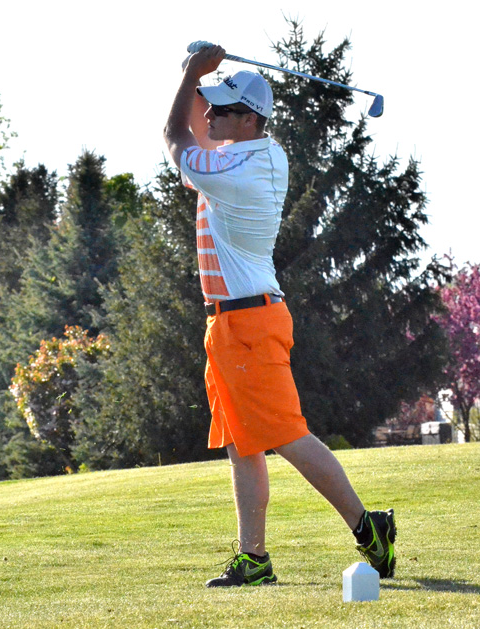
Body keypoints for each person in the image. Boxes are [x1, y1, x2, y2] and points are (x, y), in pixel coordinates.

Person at [163, 43, 396, 587]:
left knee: (288, 436)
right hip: (230, 321)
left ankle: (369, 528)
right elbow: (195, 131)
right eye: (211, 107)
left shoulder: (238, 171)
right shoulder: (248, 155)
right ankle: (254, 557)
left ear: (248, 118)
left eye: (222, 109)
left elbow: (176, 138)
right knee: (242, 440)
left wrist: (191, 76)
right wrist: (195, 77)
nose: (211, 114)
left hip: (248, 322)